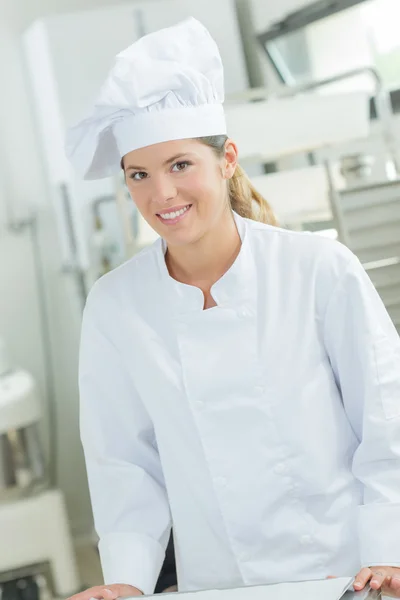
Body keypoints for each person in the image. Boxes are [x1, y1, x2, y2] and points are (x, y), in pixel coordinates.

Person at [65, 17, 400, 600]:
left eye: (180, 165)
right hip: (219, 585)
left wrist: (390, 549)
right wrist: (127, 580)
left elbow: (386, 422)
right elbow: (124, 461)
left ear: (227, 159)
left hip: (347, 575)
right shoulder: (116, 306)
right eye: (138, 175)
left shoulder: (317, 269)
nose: (161, 195)